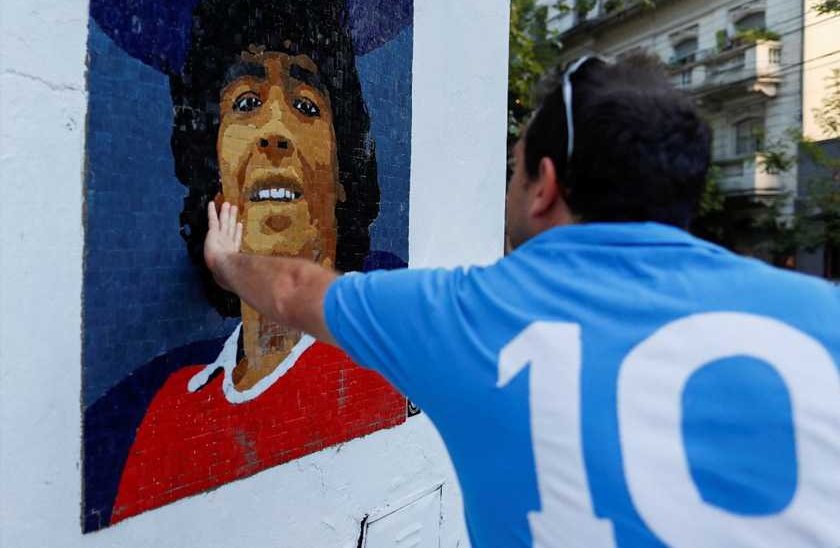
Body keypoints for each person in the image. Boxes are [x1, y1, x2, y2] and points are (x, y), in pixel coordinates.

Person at [204, 54, 840, 547]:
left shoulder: (472, 314)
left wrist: (226, 261)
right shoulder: (823, 317)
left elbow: (293, 289)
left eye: (514, 168)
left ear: (546, 187)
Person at [83, 0, 407, 531]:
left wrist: (228, 266)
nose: (275, 133)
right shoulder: (166, 417)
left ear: (344, 167)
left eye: (306, 105)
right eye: (248, 104)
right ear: (210, 164)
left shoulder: (385, 361)